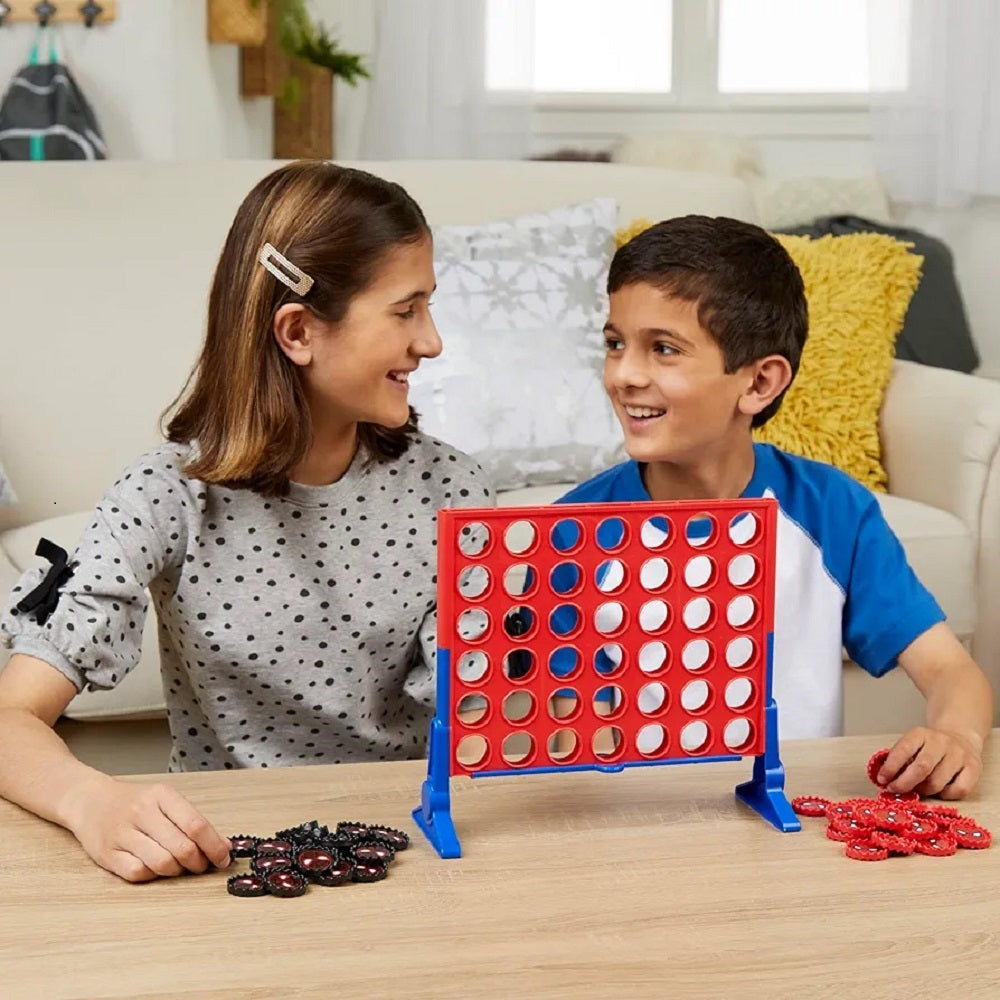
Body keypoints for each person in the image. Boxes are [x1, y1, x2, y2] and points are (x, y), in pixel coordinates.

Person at [0, 161, 492, 882]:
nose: (433, 341)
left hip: (411, 852)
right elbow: (9, 721)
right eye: (405, 310)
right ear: (297, 332)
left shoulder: (452, 488)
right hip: (229, 861)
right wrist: (91, 802)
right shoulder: (164, 496)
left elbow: (485, 710)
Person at [554, 215, 992, 797]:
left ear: (760, 384)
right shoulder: (569, 530)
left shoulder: (835, 512)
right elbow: (563, 737)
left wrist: (957, 737)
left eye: (663, 349)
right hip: (636, 835)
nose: (623, 375)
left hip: (794, 830)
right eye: (615, 344)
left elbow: (949, 670)